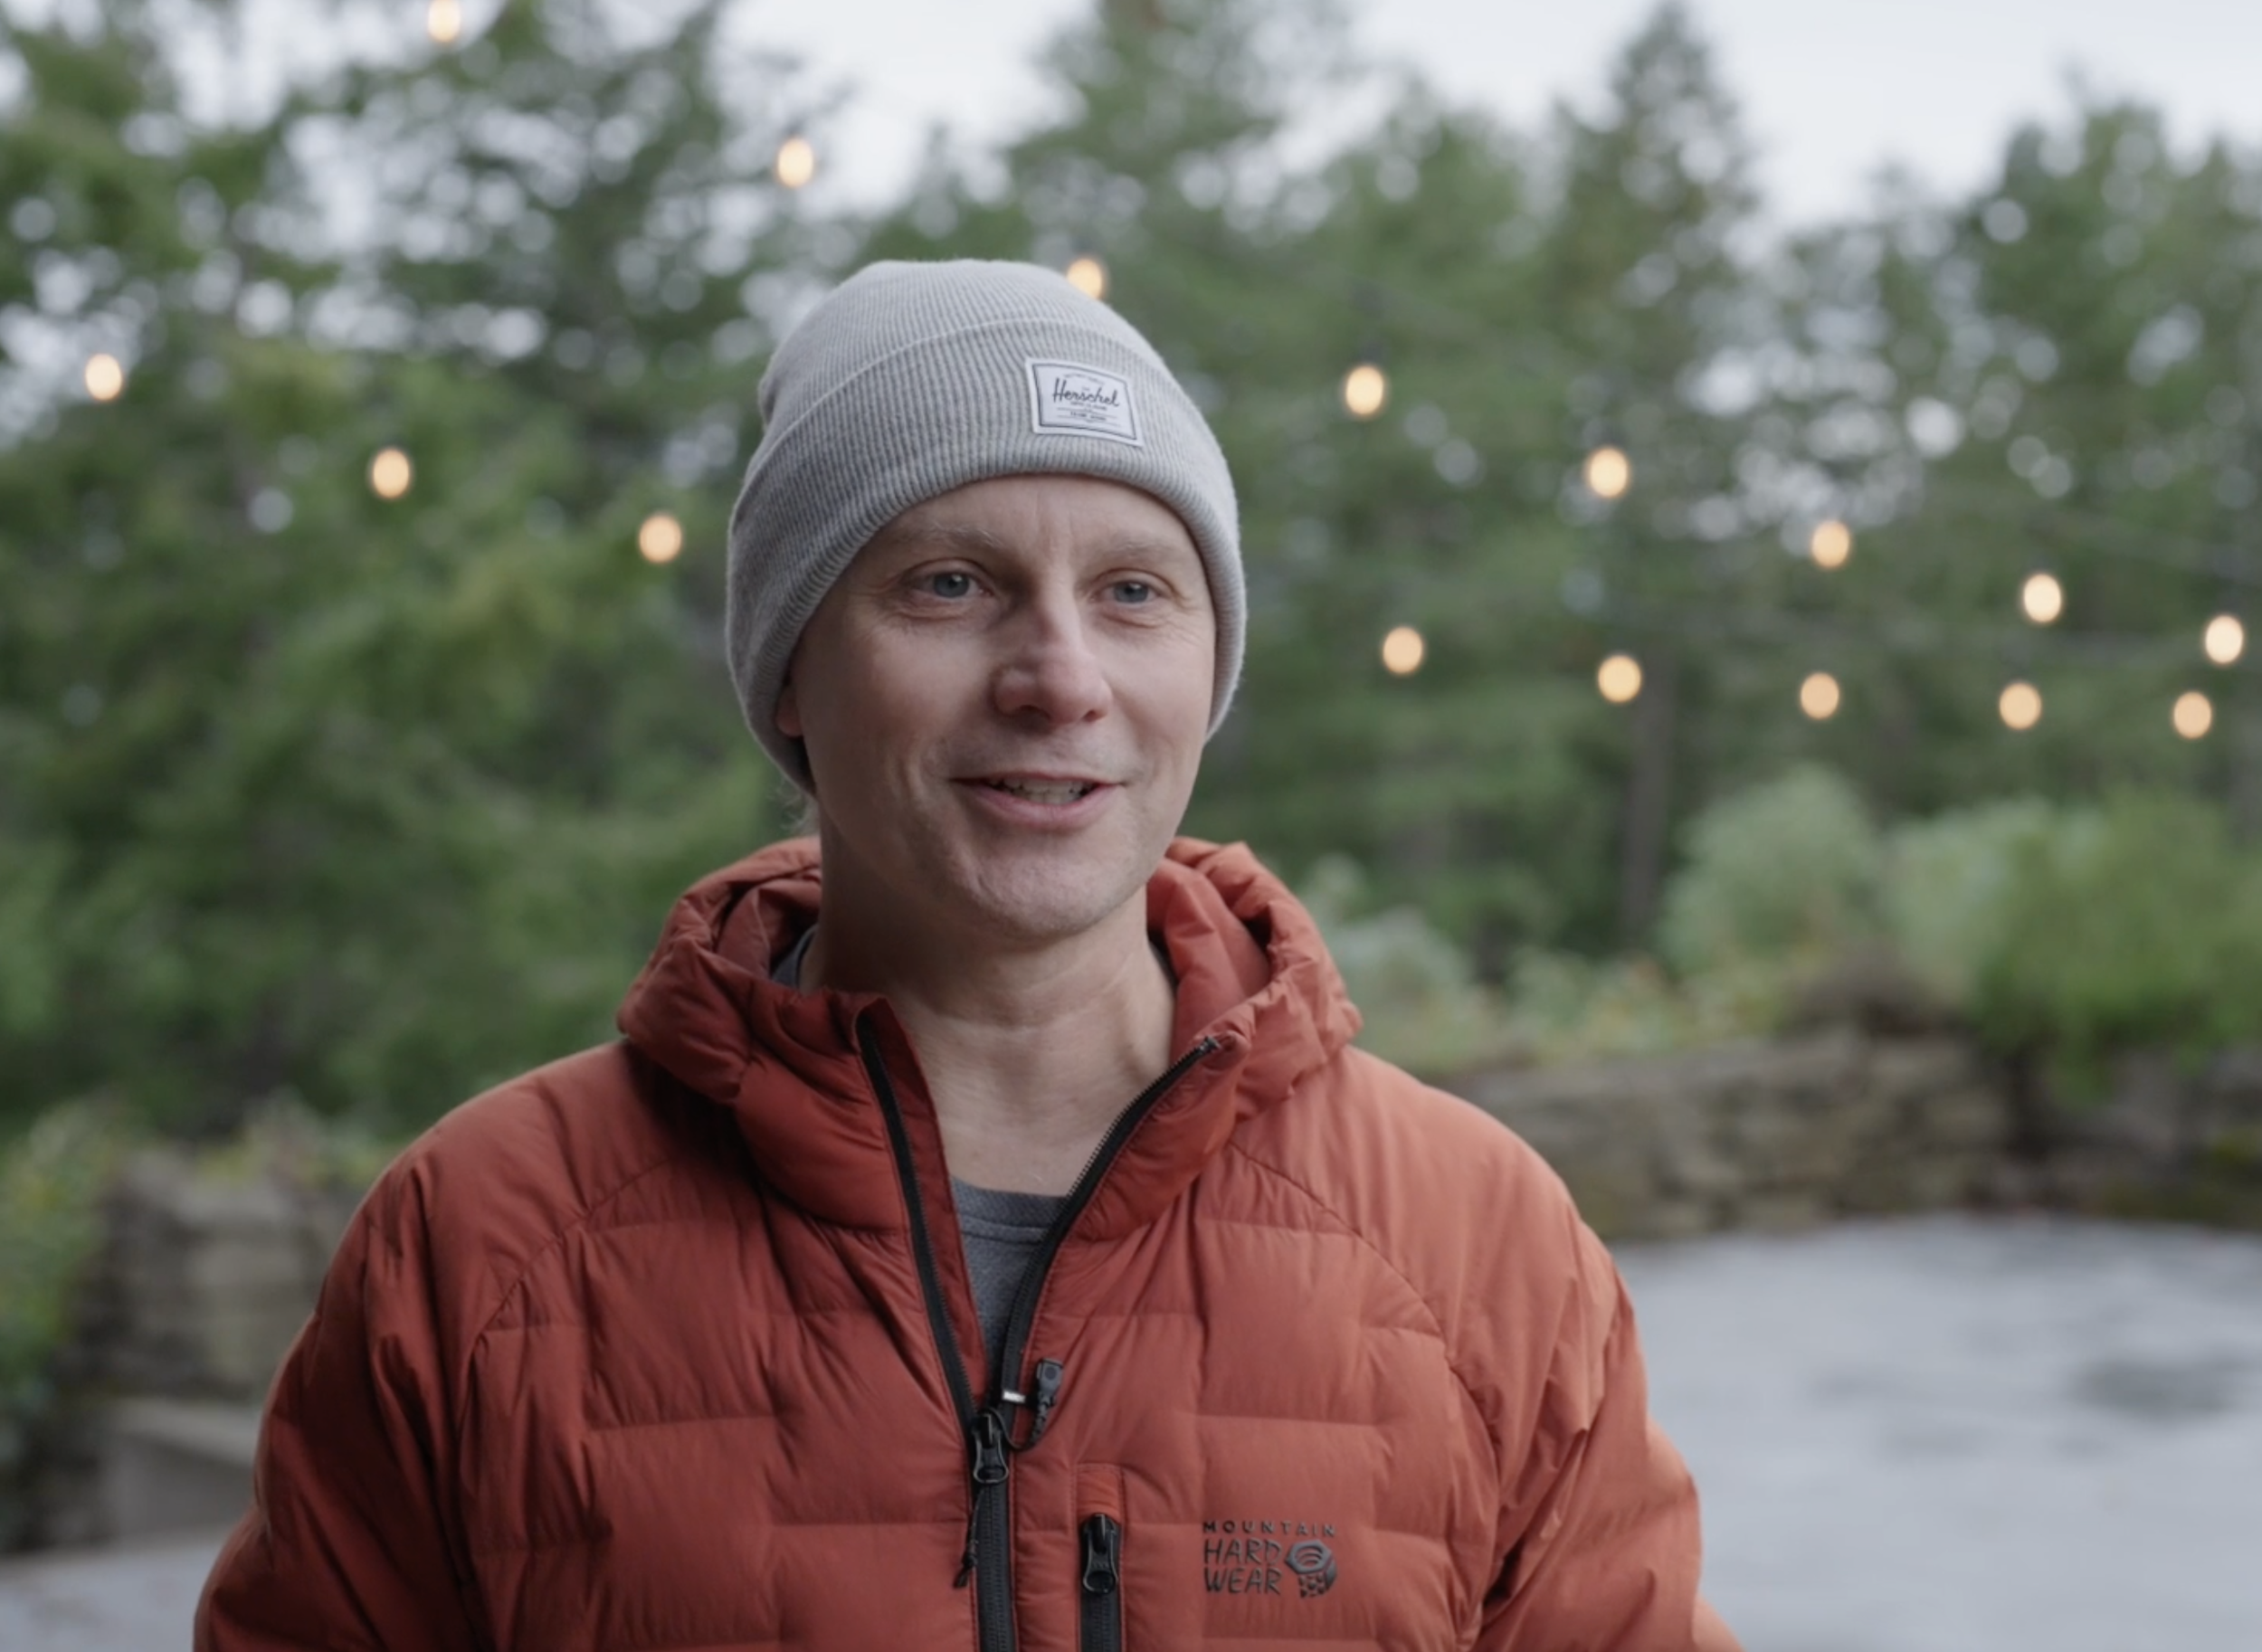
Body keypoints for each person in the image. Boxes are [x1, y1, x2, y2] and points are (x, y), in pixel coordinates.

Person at [196, 259, 1737, 1651]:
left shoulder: (1478, 1249)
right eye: (951, 583)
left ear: (1205, 672)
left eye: (1135, 591)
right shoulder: (482, 1248)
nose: (1059, 677)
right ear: (794, 668)